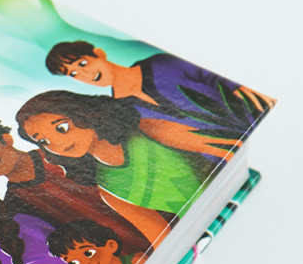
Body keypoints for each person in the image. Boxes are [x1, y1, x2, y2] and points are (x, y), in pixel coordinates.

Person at [15, 90, 211, 248]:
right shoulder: (108, 190)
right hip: (205, 226)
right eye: (43, 141)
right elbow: (160, 236)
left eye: (61, 128)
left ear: (81, 113)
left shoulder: (145, 130)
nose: (56, 143)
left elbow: (218, 149)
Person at [0, 115, 150, 257]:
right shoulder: (15, 204)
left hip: (153, 216)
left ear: (6, 139)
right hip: (124, 256)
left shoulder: (61, 152)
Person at [44, 40, 274, 157]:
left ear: (99, 54)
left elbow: (225, 82)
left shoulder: (163, 63)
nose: (85, 75)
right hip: (219, 158)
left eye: (83, 64)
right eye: (74, 74)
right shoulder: (120, 110)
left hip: (261, 127)